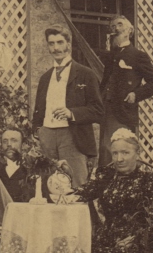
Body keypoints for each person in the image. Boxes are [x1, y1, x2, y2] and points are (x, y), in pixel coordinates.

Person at [33, 25, 104, 188]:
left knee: (76, 186)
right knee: (48, 185)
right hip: (47, 136)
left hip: (72, 136)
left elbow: (98, 110)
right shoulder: (45, 78)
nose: (56, 48)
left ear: (68, 44)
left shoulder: (86, 74)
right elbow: (38, 110)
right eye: (51, 43)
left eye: (59, 42)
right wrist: (38, 130)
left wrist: (71, 113)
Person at [73, 128, 153, 253]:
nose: (119, 159)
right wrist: (67, 175)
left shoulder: (148, 180)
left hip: (135, 242)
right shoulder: (107, 176)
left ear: (138, 153)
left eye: (125, 153)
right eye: (115, 153)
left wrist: (136, 239)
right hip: (105, 239)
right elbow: (81, 194)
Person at [97, 15, 153, 167]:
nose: (116, 28)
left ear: (130, 31)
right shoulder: (111, 55)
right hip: (105, 110)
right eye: (113, 26)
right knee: (105, 152)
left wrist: (136, 94)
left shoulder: (138, 56)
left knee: (117, 150)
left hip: (122, 111)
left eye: (119, 25)